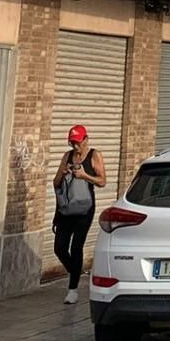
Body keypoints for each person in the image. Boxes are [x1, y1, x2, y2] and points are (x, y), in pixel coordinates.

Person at [53, 124, 105, 304]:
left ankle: (73, 289)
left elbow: (102, 181)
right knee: (59, 248)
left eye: (78, 142)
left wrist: (84, 176)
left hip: (84, 208)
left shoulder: (94, 155)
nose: (75, 146)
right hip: (66, 208)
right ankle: (76, 271)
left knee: (76, 247)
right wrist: (63, 173)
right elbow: (56, 183)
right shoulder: (67, 156)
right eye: (72, 143)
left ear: (86, 140)